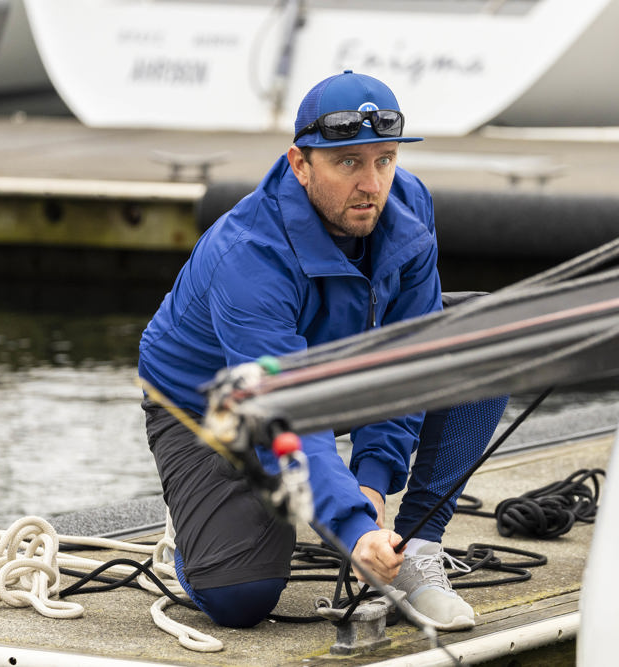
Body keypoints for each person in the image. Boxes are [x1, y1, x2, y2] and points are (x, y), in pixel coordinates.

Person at [138, 70, 508, 632]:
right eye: (348, 162)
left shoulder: (408, 205)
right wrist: (354, 528)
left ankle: (417, 552)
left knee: (489, 335)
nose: (371, 184)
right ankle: (195, 533)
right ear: (300, 164)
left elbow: (407, 358)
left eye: (384, 160)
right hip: (212, 403)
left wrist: (372, 485)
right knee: (241, 596)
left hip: (333, 369)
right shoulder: (248, 255)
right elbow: (284, 410)